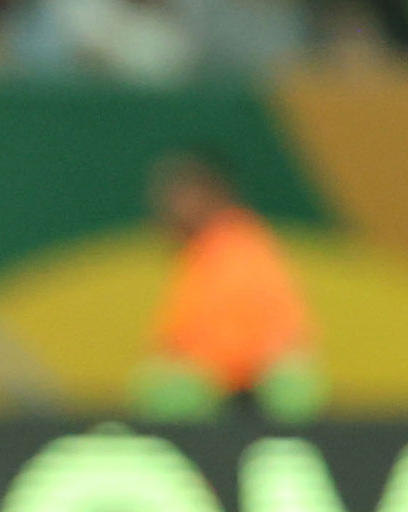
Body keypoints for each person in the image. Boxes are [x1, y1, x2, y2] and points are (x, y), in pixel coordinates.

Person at [134, 150, 323, 421]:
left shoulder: (239, 248)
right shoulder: (200, 255)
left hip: (251, 389)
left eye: (179, 197)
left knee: (170, 389)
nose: (167, 210)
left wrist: (207, 370)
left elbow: (250, 346)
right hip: (227, 383)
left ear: (210, 195)